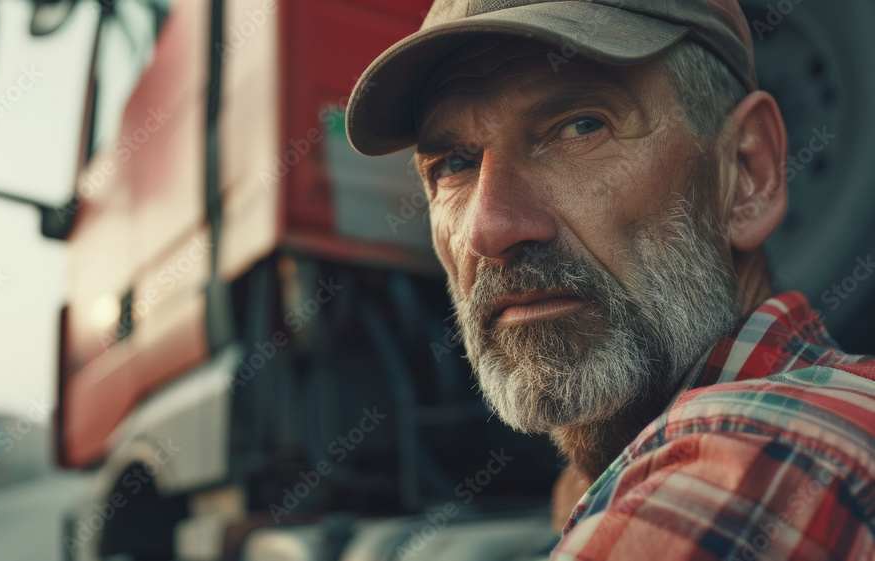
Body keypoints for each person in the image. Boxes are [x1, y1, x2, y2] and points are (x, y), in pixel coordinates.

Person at [345, 1, 875, 558]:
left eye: (580, 127)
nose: (490, 227)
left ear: (747, 173)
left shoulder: (761, 456)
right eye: (454, 163)